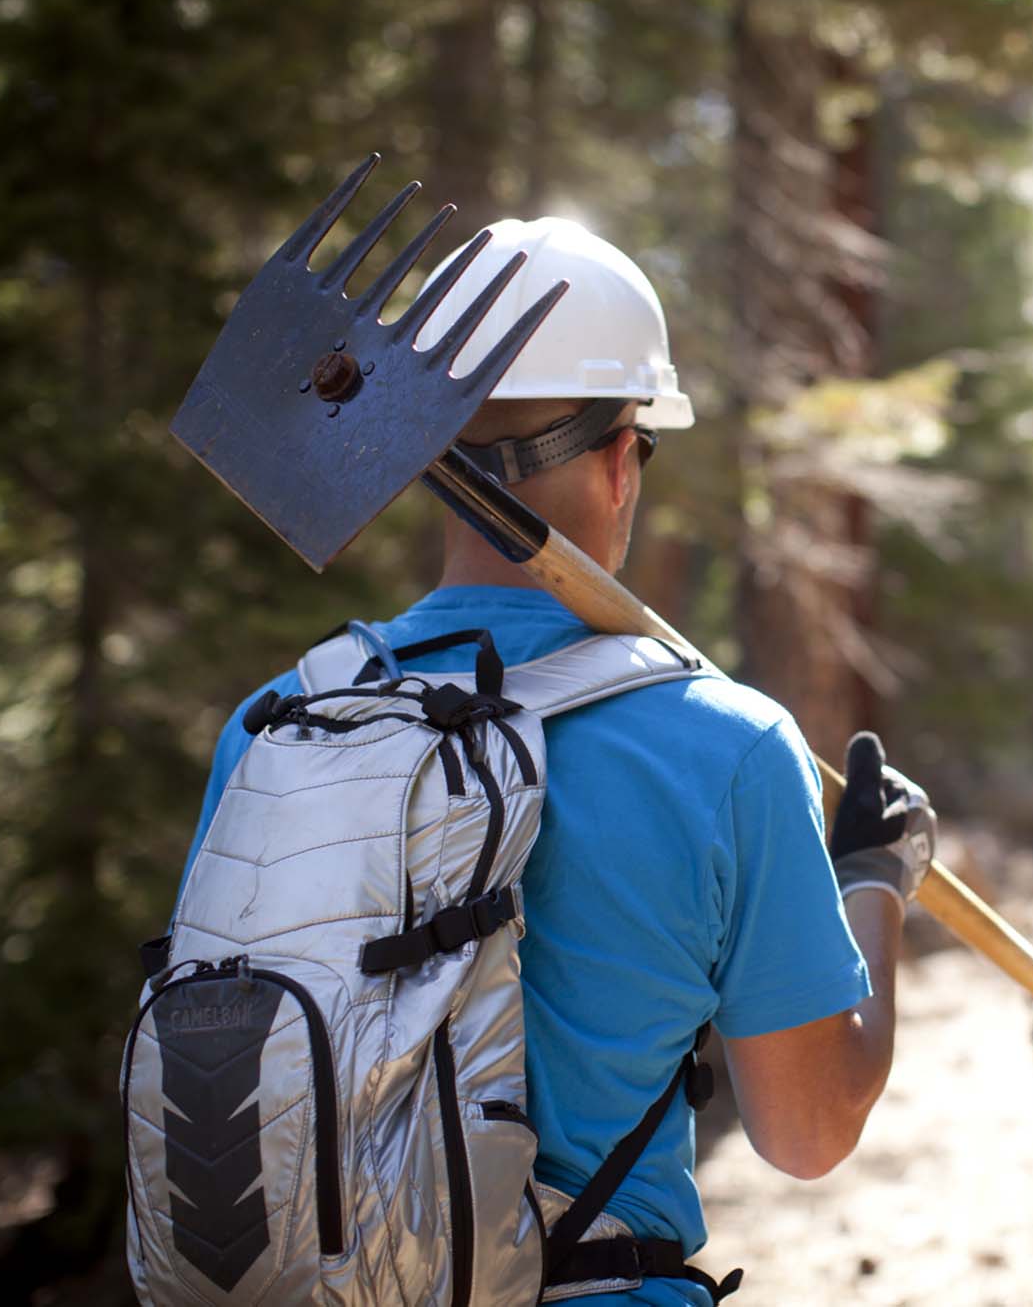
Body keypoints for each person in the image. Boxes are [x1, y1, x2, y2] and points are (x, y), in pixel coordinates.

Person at [181, 218, 929, 1305]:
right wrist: (872, 883)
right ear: (625, 457)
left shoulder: (279, 721)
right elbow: (808, 1130)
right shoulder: (723, 745)